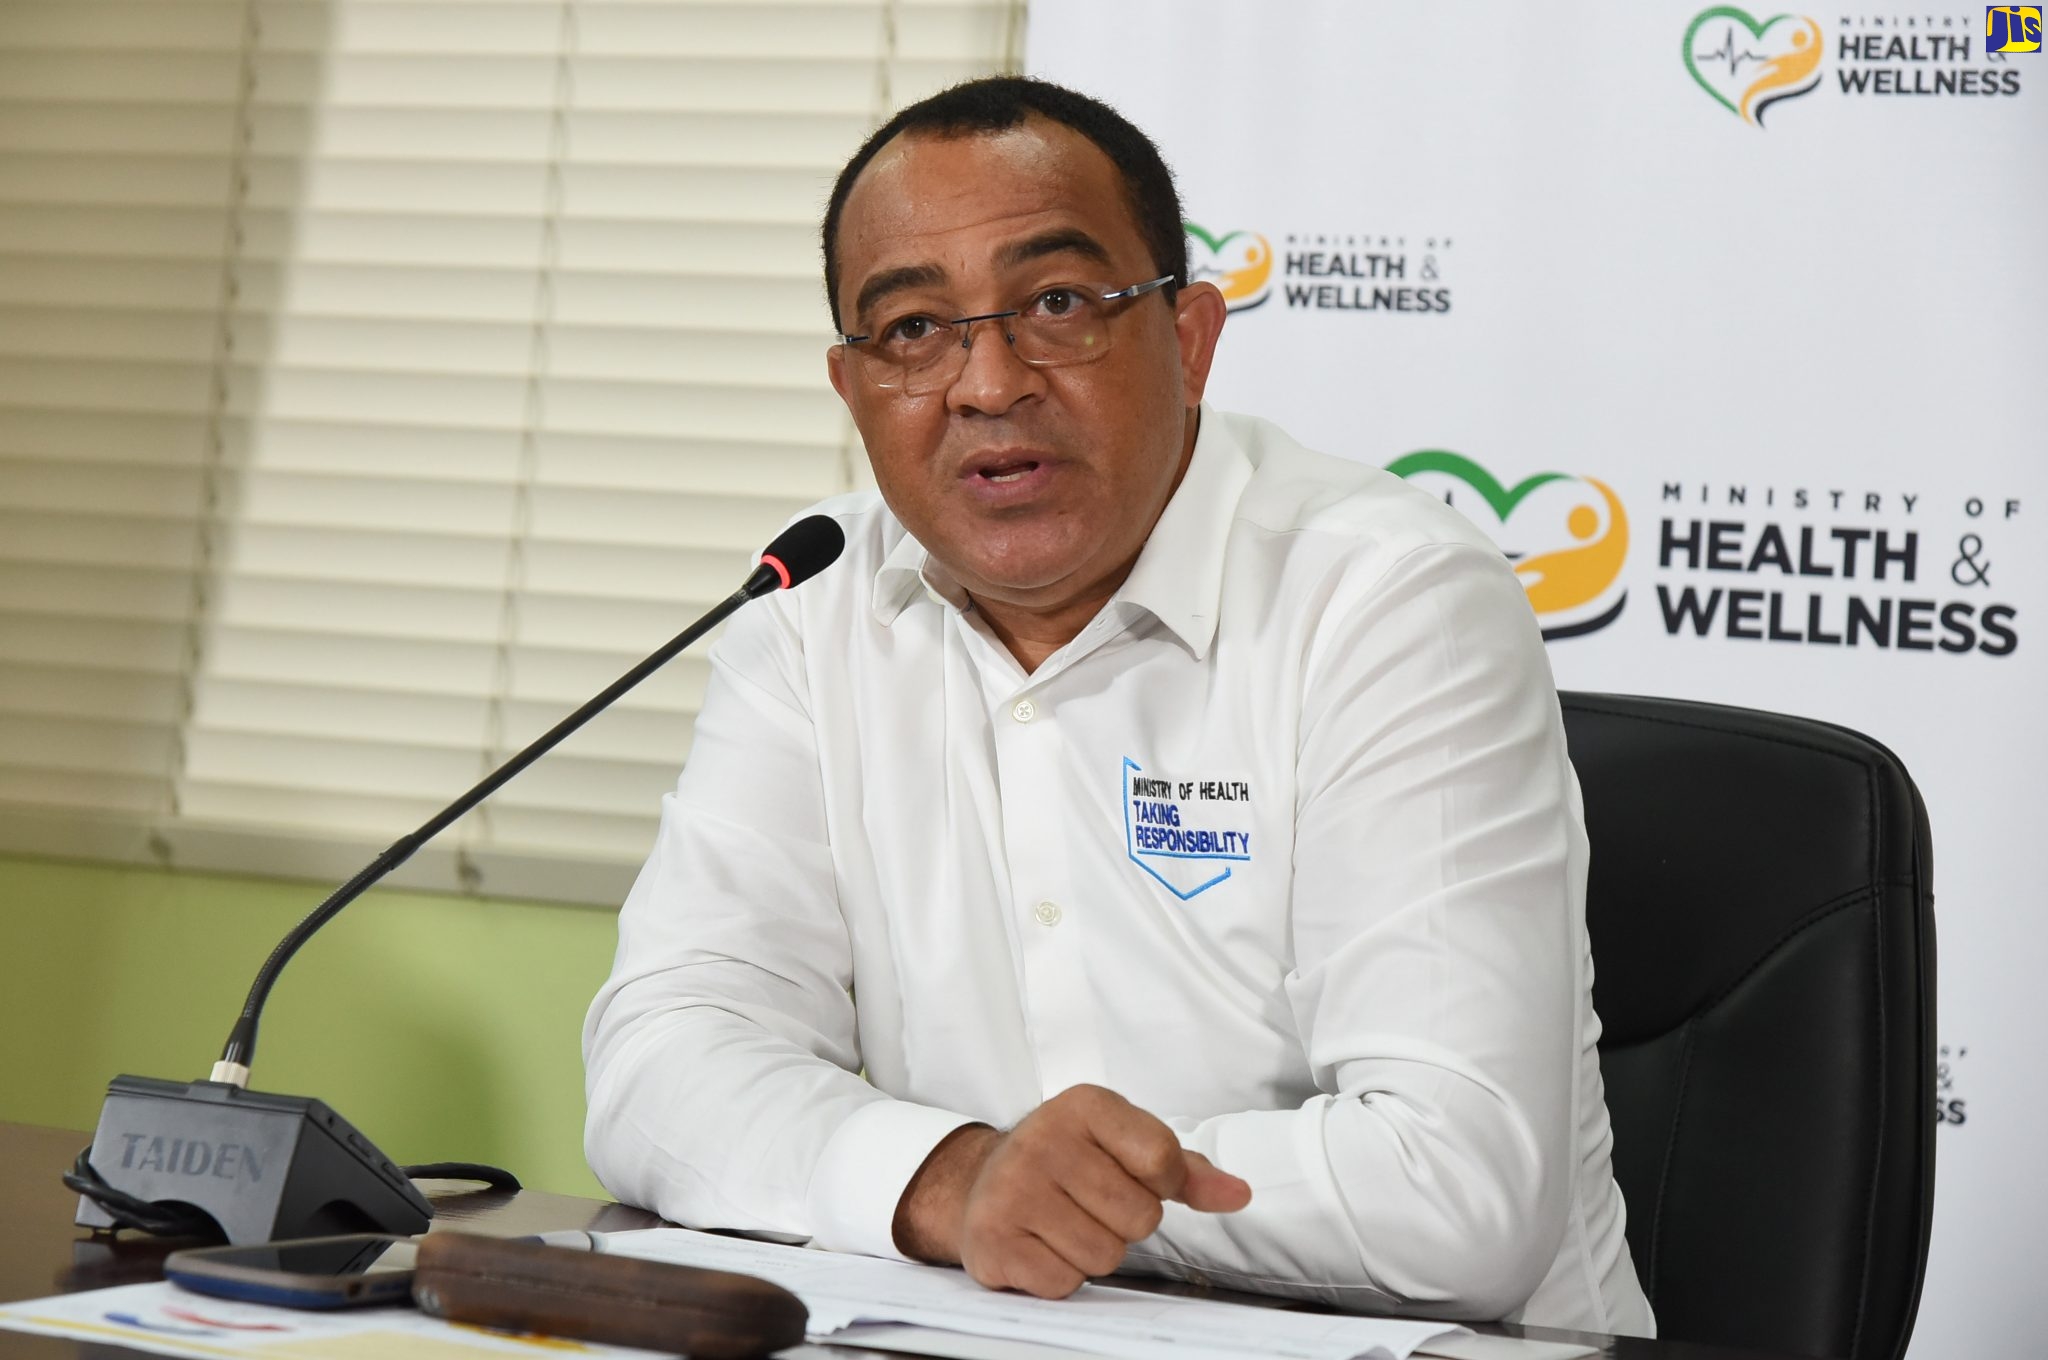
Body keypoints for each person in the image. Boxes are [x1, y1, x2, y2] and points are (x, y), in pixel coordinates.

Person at [583, 76, 1653, 1336]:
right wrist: (946, 1180)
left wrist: (1037, 1196)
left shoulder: (1387, 599)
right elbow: (663, 1058)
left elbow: (1454, 1192)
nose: (986, 383)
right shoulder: (812, 604)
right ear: (851, 386)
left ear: (1189, 338)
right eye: (913, 328)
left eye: (1054, 305)